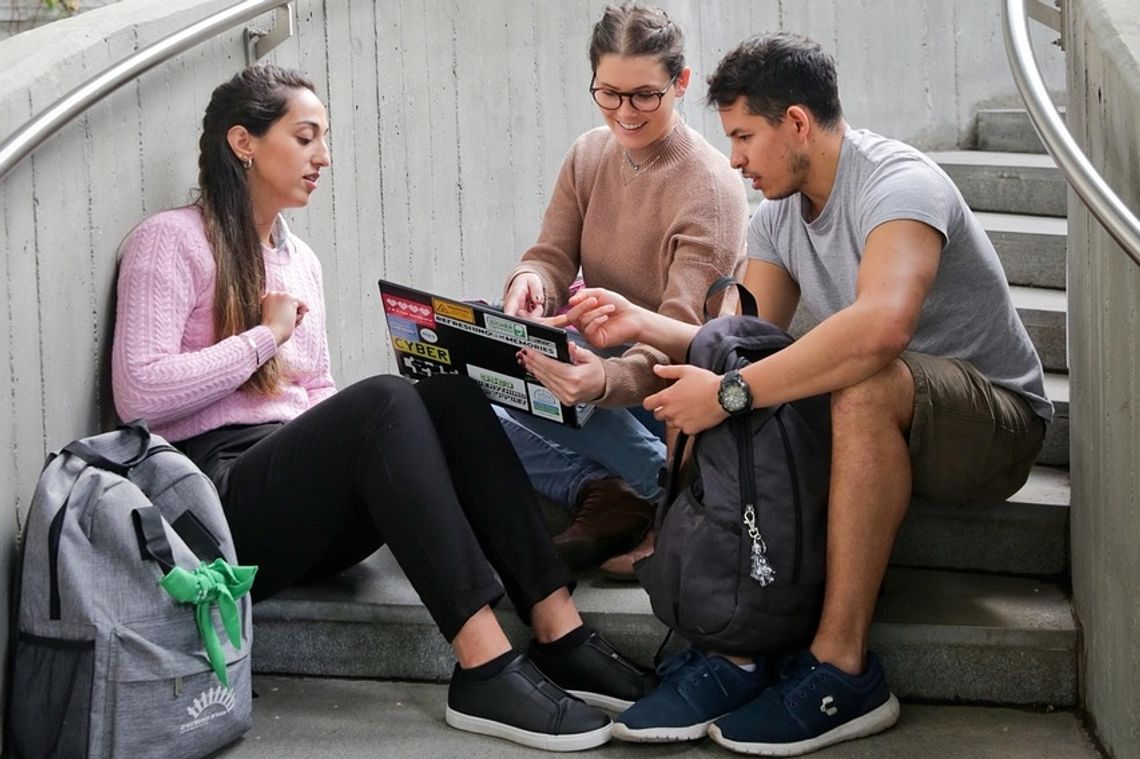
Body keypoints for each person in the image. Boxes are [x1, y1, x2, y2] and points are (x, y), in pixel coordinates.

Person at [110, 64, 657, 753]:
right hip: (218, 507)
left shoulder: (300, 260)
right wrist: (264, 338)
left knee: (448, 391)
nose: (323, 156)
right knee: (383, 399)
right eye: (305, 137)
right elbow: (139, 393)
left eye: (325, 138)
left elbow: (317, 394)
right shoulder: (171, 240)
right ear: (243, 142)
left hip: (303, 508)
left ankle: (559, 632)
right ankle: (485, 667)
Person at [559, 33, 1052, 756]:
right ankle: (738, 643)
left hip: (990, 427)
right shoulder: (779, 218)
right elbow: (739, 342)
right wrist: (644, 326)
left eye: (744, 137)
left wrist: (731, 393)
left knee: (854, 382)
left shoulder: (899, 184)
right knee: (732, 357)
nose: (734, 160)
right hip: (879, 427)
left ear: (795, 122)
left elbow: (882, 328)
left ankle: (842, 670)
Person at [501, 3, 748, 574]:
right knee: (455, 381)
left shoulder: (710, 188)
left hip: (665, 390)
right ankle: (605, 489)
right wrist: (530, 283)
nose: (625, 112)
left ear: (680, 83)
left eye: (644, 96)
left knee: (526, 379)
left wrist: (603, 381)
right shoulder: (589, 154)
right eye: (608, 93)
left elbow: (680, 335)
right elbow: (550, 256)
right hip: (596, 365)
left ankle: (669, 485)